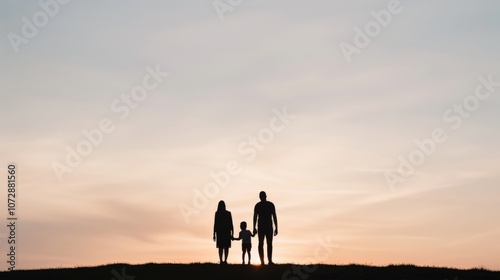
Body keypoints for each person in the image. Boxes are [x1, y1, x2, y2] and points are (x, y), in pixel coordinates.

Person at [253, 191, 278, 265]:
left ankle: (268, 260)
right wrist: (254, 227)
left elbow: (274, 216)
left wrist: (276, 227)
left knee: (268, 243)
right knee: (262, 243)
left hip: (268, 226)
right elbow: (255, 217)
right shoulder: (259, 205)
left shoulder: (269, 205)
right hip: (262, 226)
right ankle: (263, 261)